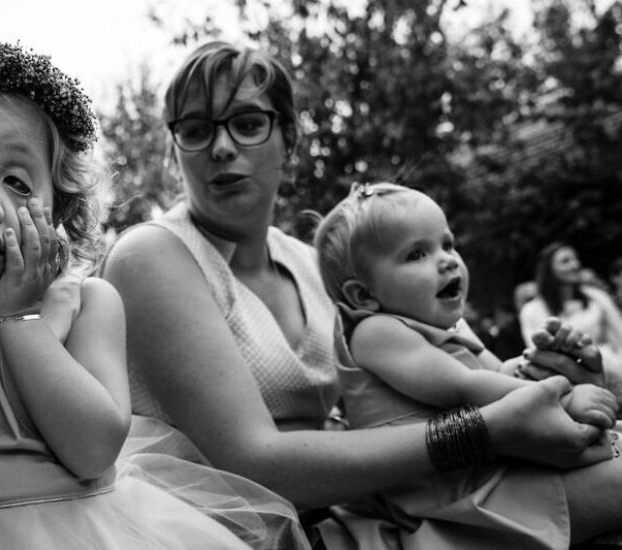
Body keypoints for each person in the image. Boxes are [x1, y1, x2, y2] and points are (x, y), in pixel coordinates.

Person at [100, 40, 621, 549]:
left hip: (364, 509)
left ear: (289, 138)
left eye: (248, 123)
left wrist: (547, 381)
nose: (221, 146)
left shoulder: (311, 264)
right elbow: (253, 466)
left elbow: (432, 374)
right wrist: (482, 430)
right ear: (175, 149)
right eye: (195, 130)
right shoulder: (152, 255)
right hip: (231, 531)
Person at [0, 40, 307, 549]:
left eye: (17, 183)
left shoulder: (90, 303)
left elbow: (93, 452)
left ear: (61, 208)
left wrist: (20, 317)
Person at [312, 181, 622, 548]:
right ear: (363, 295)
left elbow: (500, 375)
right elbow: (463, 386)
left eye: (447, 244)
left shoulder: (448, 329)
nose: (447, 259)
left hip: (499, 471)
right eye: (416, 254)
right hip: (466, 499)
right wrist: (563, 398)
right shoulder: (374, 332)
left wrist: (548, 367)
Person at [520, 242, 622, 395]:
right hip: (563, 380)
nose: (575, 265)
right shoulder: (532, 310)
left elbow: (619, 333)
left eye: (576, 259)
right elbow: (535, 351)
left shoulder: (597, 298)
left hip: (611, 372)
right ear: (549, 269)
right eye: (565, 261)